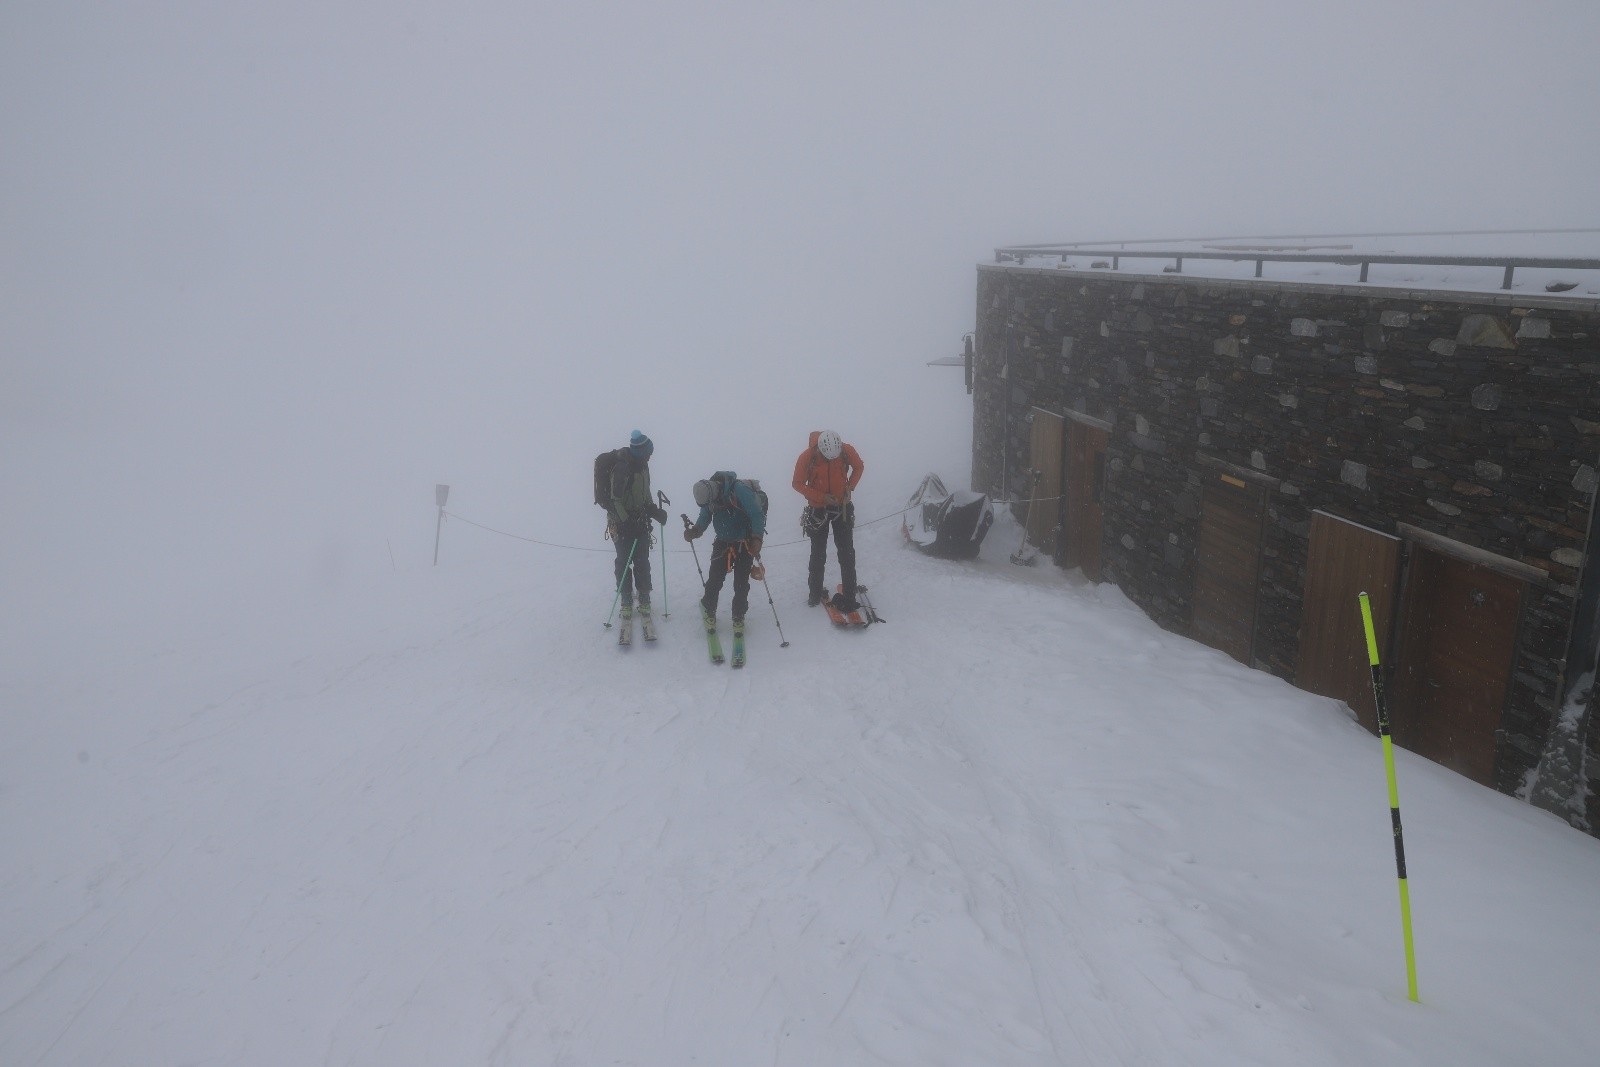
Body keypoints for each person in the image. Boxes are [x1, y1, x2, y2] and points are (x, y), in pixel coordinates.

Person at [683, 472, 766, 632]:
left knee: (741, 583)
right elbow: (705, 515)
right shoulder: (710, 497)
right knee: (714, 579)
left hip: (745, 542)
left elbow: (756, 514)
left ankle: (738, 616)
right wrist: (696, 530)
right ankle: (709, 609)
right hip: (722, 542)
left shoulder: (740, 490)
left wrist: (757, 538)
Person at [792, 429, 865, 610]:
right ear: (819, 449)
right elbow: (797, 483)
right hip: (818, 509)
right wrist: (821, 497)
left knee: (846, 552)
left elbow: (859, 466)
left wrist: (850, 487)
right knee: (818, 553)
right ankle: (814, 594)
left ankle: (849, 592)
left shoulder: (846, 450)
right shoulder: (807, 457)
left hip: (842, 507)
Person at [603, 430, 668, 620]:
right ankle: (625, 599)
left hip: (639, 520)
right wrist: (625, 522)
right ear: (641, 452)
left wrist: (654, 511)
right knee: (623, 560)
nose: (650, 456)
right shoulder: (622, 469)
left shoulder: (643, 467)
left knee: (642, 559)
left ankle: (644, 595)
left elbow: (646, 493)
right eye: (649, 452)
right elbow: (615, 500)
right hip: (620, 521)